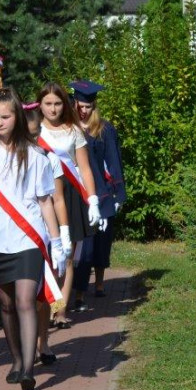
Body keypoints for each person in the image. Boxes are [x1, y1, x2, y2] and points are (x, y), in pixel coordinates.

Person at [0, 88, 64, 390]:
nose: (0, 122)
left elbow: (45, 201)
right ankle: (17, 359)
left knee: (25, 301)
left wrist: (57, 241)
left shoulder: (35, 156)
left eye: (5, 117)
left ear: (17, 117)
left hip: (27, 239)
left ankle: (29, 370)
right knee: (6, 305)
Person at [36, 81, 101, 320]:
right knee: (46, 255)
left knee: (67, 256)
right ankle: (46, 306)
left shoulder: (73, 131)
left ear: (65, 104)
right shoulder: (33, 131)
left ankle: (60, 310)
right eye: (48, 103)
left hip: (70, 195)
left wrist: (92, 199)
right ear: (40, 104)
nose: (53, 109)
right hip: (42, 195)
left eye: (57, 103)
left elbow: (84, 168)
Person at [70, 80, 126, 301]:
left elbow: (113, 161)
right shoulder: (68, 128)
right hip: (77, 192)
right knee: (84, 247)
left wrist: (118, 193)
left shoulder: (104, 129)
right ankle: (79, 293)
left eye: (88, 107)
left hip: (102, 191)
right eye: (80, 106)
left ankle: (100, 283)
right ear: (74, 104)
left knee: (102, 242)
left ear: (94, 106)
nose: (84, 111)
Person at [24, 103, 70, 365]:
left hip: (42, 234)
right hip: (17, 235)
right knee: (21, 297)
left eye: (35, 134)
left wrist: (62, 234)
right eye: (26, 135)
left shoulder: (48, 158)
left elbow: (58, 199)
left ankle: (43, 342)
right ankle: (24, 346)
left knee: (41, 295)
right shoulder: (7, 159)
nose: (31, 140)